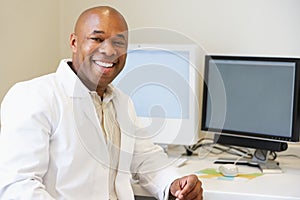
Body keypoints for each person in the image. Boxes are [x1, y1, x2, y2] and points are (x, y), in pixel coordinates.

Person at [0, 6, 203, 200]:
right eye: (97, 39)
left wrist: (175, 183)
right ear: (74, 42)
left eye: (119, 43)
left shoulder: (122, 103)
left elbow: (146, 160)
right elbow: (17, 187)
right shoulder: (33, 96)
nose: (109, 50)